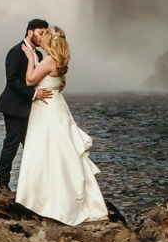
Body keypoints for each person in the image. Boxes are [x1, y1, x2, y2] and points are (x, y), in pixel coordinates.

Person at [11, 25, 110, 225]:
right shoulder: (61, 62)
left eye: (45, 37)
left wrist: (31, 59)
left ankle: (42, 199)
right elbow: (60, 85)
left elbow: (30, 80)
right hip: (57, 107)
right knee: (60, 152)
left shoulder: (48, 60)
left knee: (44, 151)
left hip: (45, 110)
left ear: (50, 42)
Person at [0, 17, 47, 199]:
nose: (43, 37)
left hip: (32, 109)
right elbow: (13, 81)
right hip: (14, 107)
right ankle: (2, 186)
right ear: (30, 32)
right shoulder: (15, 52)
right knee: (11, 145)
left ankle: (35, 186)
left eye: (46, 34)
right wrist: (33, 95)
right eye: (41, 33)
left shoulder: (39, 56)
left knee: (34, 147)